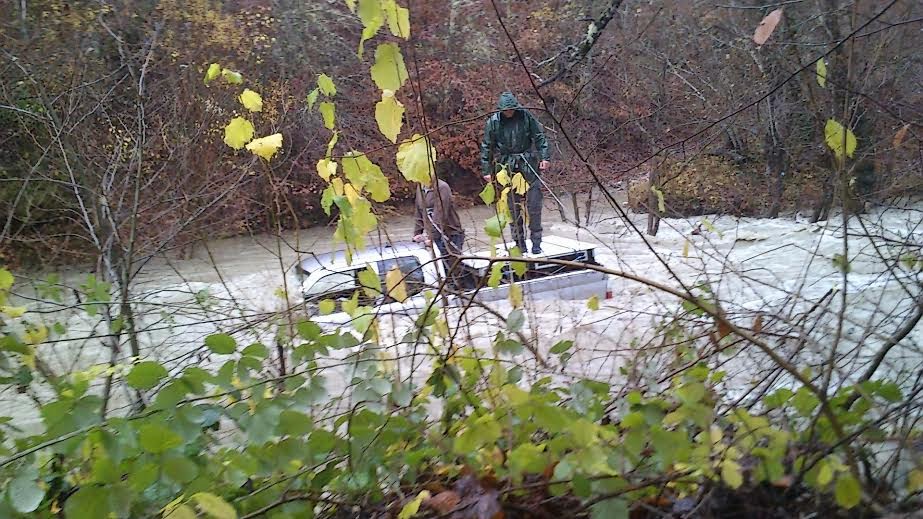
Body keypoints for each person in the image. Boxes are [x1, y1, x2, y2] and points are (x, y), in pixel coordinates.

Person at [480, 91, 551, 254]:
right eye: (506, 110)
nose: (509, 112)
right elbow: (486, 147)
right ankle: (519, 243)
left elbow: (539, 137)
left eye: (511, 109)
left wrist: (545, 157)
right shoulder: (493, 122)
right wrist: (487, 170)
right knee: (512, 207)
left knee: (534, 204)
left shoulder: (526, 117)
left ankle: (536, 242)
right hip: (507, 166)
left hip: (528, 163)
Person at [413, 178, 466, 281]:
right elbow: (418, 211)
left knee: (451, 266)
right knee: (439, 264)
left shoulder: (442, 187)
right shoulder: (420, 187)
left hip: (450, 233)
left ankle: (459, 289)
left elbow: (440, 215)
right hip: (434, 233)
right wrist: (417, 233)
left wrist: (431, 238)